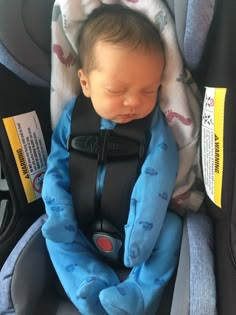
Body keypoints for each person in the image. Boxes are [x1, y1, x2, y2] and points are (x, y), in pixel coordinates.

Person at [42, 4, 182, 315]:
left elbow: (160, 169)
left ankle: (138, 295)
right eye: (117, 89)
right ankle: (89, 286)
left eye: (148, 91)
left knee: (172, 229)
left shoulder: (153, 124)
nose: (133, 101)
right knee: (54, 237)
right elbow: (56, 168)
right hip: (80, 222)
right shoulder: (73, 117)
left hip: (138, 229)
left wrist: (141, 234)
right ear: (85, 83)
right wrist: (61, 214)